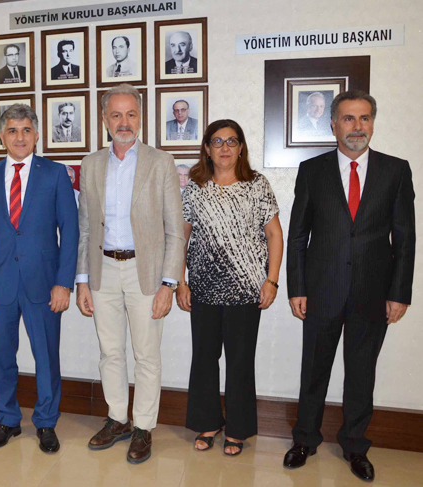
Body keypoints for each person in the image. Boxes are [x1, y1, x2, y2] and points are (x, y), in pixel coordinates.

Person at [283, 90, 415, 482]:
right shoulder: (312, 170)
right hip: (321, 290)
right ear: (333, 125)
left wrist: (399, 293)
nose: (357, 126)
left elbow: (405, 238)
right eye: (348, 118)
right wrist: (297, 287)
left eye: (364, 118)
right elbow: (297, 236)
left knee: (361, 374)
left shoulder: (396, 170)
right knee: (314, 371)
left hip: (373, 293)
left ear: (372, 122)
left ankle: (355, 445)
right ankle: (305, 439)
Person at [76, 84, 186, 464]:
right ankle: (118, 419)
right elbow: (85, 228)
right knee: (110, 351)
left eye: (131, 114)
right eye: (116, 115)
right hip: (102, 269)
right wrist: (82, 281)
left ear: (140, 118)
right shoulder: (90, 165)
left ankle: (143, 426)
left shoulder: (161, 162)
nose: (124, 122)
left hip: (147, 271)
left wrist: (169, 283)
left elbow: (175, 230)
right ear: (105, 120)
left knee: (146, 354)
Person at [0, 104, 79, 453]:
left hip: (44, 283)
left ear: (37, 135)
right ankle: (8, 419)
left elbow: (71, 231)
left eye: (26, 130)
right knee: (2, 356)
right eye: (12, 131)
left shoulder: (55, 174)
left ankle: (46, 422)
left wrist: (64, 282)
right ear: (2, 136)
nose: (19, 137)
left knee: (46, 356)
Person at [176, 119, 283, 457]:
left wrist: (271, 280)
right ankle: (208, 423)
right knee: (204, 359)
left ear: (241, 148)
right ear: (207, 149)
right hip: (203, 289)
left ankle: (237, 428)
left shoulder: (257, 184)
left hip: (246, 291)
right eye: (217, 141)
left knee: (240, 362)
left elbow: (274, 234)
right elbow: (181, 237)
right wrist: (180, 281)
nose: (224, 147)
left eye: (232, 141)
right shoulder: (195, 187)